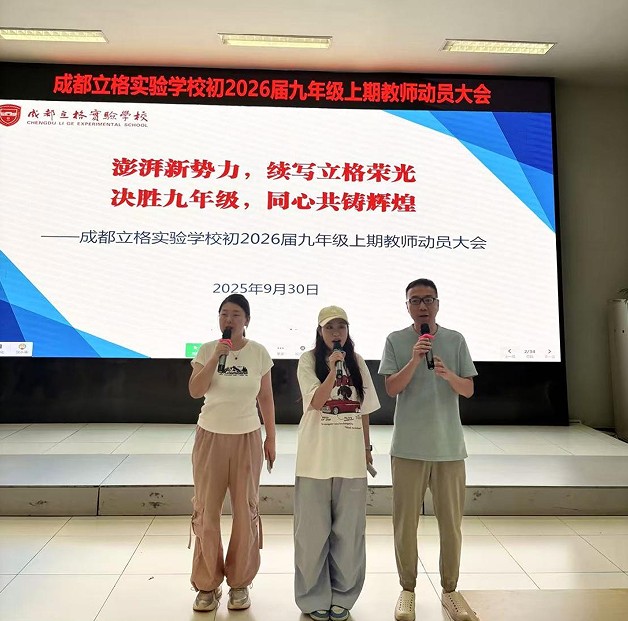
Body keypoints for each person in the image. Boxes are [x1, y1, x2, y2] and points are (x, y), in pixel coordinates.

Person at [378, 279, 480, 621]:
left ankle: (450, 590)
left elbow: (468, 390)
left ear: (438, 303)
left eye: (428, 299)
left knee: (451, 525)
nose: (422, 306)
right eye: (415, 300)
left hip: (448, 447)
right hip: (408, 447)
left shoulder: (455, 339)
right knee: (404, 524)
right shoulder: (396, 340)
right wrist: (414, 359)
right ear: (407, 305)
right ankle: (407, 590)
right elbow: (391, 388)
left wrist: (449, 375)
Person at [188, 294, 276, 612]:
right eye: (224, 313)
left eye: (236, 314)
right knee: (206, 512)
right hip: (210, 437)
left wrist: (271, 437)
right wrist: (215, 358)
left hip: (247, 437)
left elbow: (266, 397)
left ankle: (239, 582)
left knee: (245, 510)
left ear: (246, 320)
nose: (229, 319)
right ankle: (207, 584)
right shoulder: (207, 350)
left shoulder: (259, 352)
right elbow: (195, 390)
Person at [294, 306, 381, 621]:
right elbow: (317, 402)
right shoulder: (308, 361)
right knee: (311, 533)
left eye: (341, 327)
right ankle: (313, 597)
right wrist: (332, 370)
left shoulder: (357, 362)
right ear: (320, 332)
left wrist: (366, 447)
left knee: (349, 533)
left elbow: (364, 410)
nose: (336, 333)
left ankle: (344, 596)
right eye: (330, 327)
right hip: (314, 459)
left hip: (350, 460)